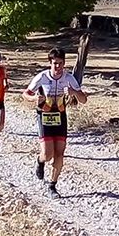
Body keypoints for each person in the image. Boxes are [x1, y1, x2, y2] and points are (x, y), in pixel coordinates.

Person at [22, 47, 88, 196]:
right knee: (48, 154)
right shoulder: (42, 77)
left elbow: (83, 100)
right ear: (50, 63)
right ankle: (40, 161)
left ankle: (52, 185)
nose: (57, 67)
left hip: (60, 117)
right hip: (44, 116)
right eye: (54, 63)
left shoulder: (69, 78)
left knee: (60, 153)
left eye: (60, 63)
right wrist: (34, 99)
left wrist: (74, 92)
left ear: (64, 63)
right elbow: (25, 94)